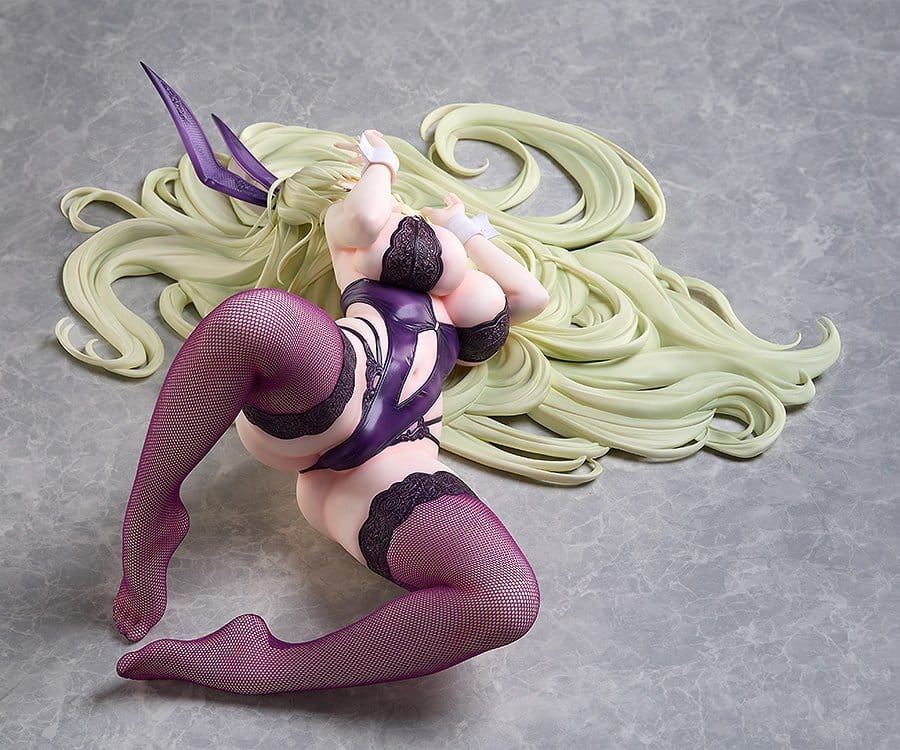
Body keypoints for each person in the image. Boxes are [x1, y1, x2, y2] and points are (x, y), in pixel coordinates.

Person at [56, 67, 841, 695]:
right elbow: (367, 219)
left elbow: (527, 302)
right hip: (339, 387)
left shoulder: (458, 264)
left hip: (383, 468)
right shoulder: (355, 230)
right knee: (255, 319)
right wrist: (376, 166)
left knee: (505, 599)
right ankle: (150, 518)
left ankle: (267, 666)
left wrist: (472, 233)